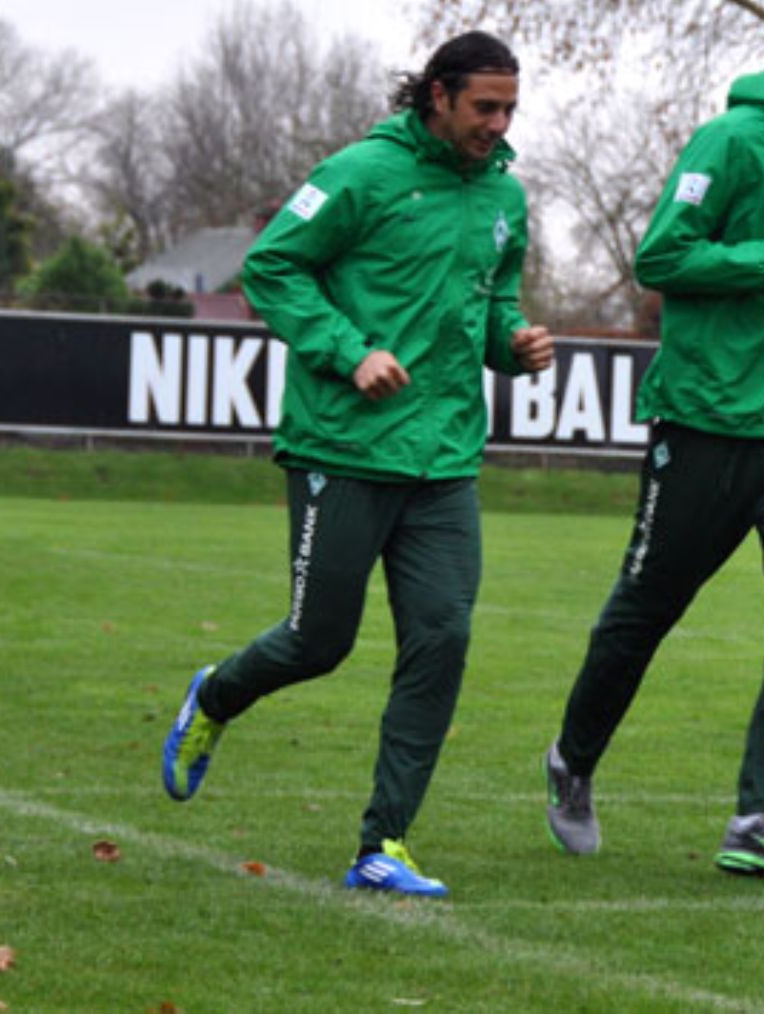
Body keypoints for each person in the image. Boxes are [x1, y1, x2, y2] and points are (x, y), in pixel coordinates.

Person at [160, 31, 553, 898]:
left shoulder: (505, 198)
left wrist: (512, 343)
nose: (498, 124)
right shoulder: (360, 173)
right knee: (318, 640)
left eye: (509, 109)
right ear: (437, 97)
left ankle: (386, 843)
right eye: (484, 107)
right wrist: (350, 351)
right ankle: (215, 697)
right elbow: (271, 269)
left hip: (445, 458)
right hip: (343, 446)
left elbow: (490, 307)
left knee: (441, 641)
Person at [543, 0, 764, 884]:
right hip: (705, 418)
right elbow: (661, 259)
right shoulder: (728, 142)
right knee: (645, 612)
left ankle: (762, 818)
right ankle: (573, 760)